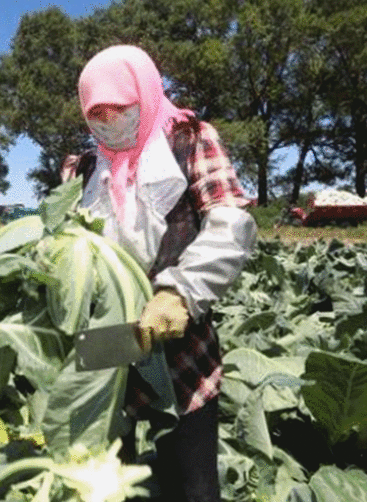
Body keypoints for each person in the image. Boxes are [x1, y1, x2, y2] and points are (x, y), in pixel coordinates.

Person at [73, 45, 257, 502]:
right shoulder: (85, 168)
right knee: (108, 485)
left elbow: (231, 222)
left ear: (146, 94)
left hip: (182, 352)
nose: (109, 121)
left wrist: (179, 292)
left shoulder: (191, 139)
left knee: (192, 487)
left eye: (120, 108)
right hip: (107, 352)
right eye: (97, 113)